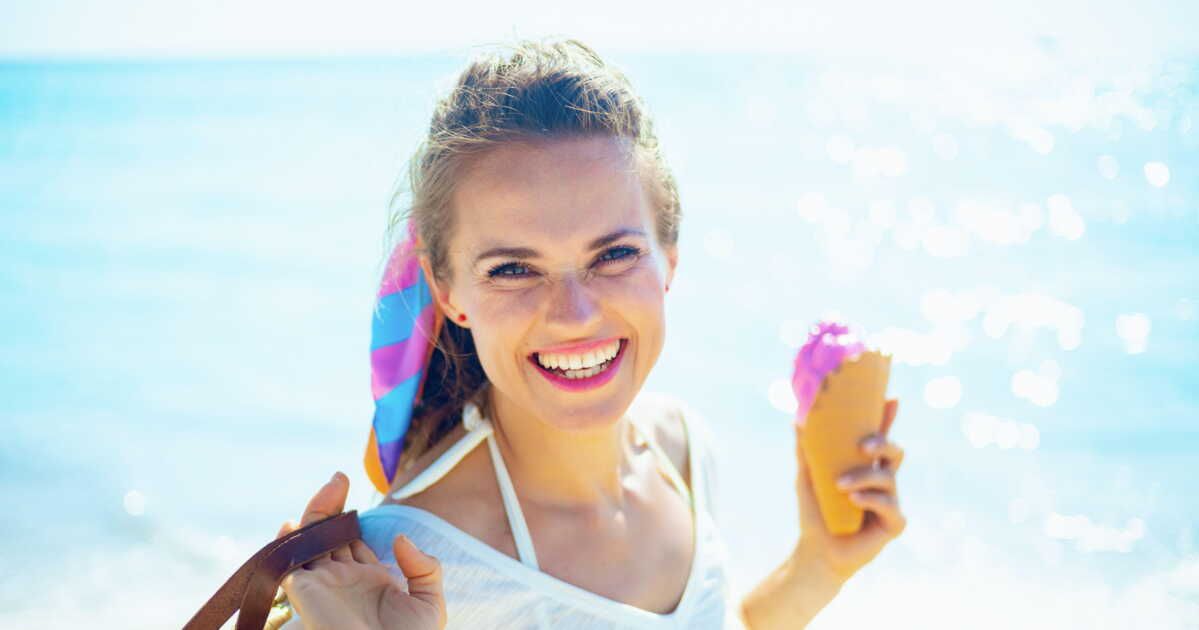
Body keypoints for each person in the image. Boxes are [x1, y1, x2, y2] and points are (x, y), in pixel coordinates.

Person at [270, 38, 907, 630]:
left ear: (670, 258)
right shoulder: (392, 571)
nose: (574, 313)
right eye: (513, 269)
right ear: (447, 292)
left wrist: (818, 565)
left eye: (614, 255)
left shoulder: (682, 449)